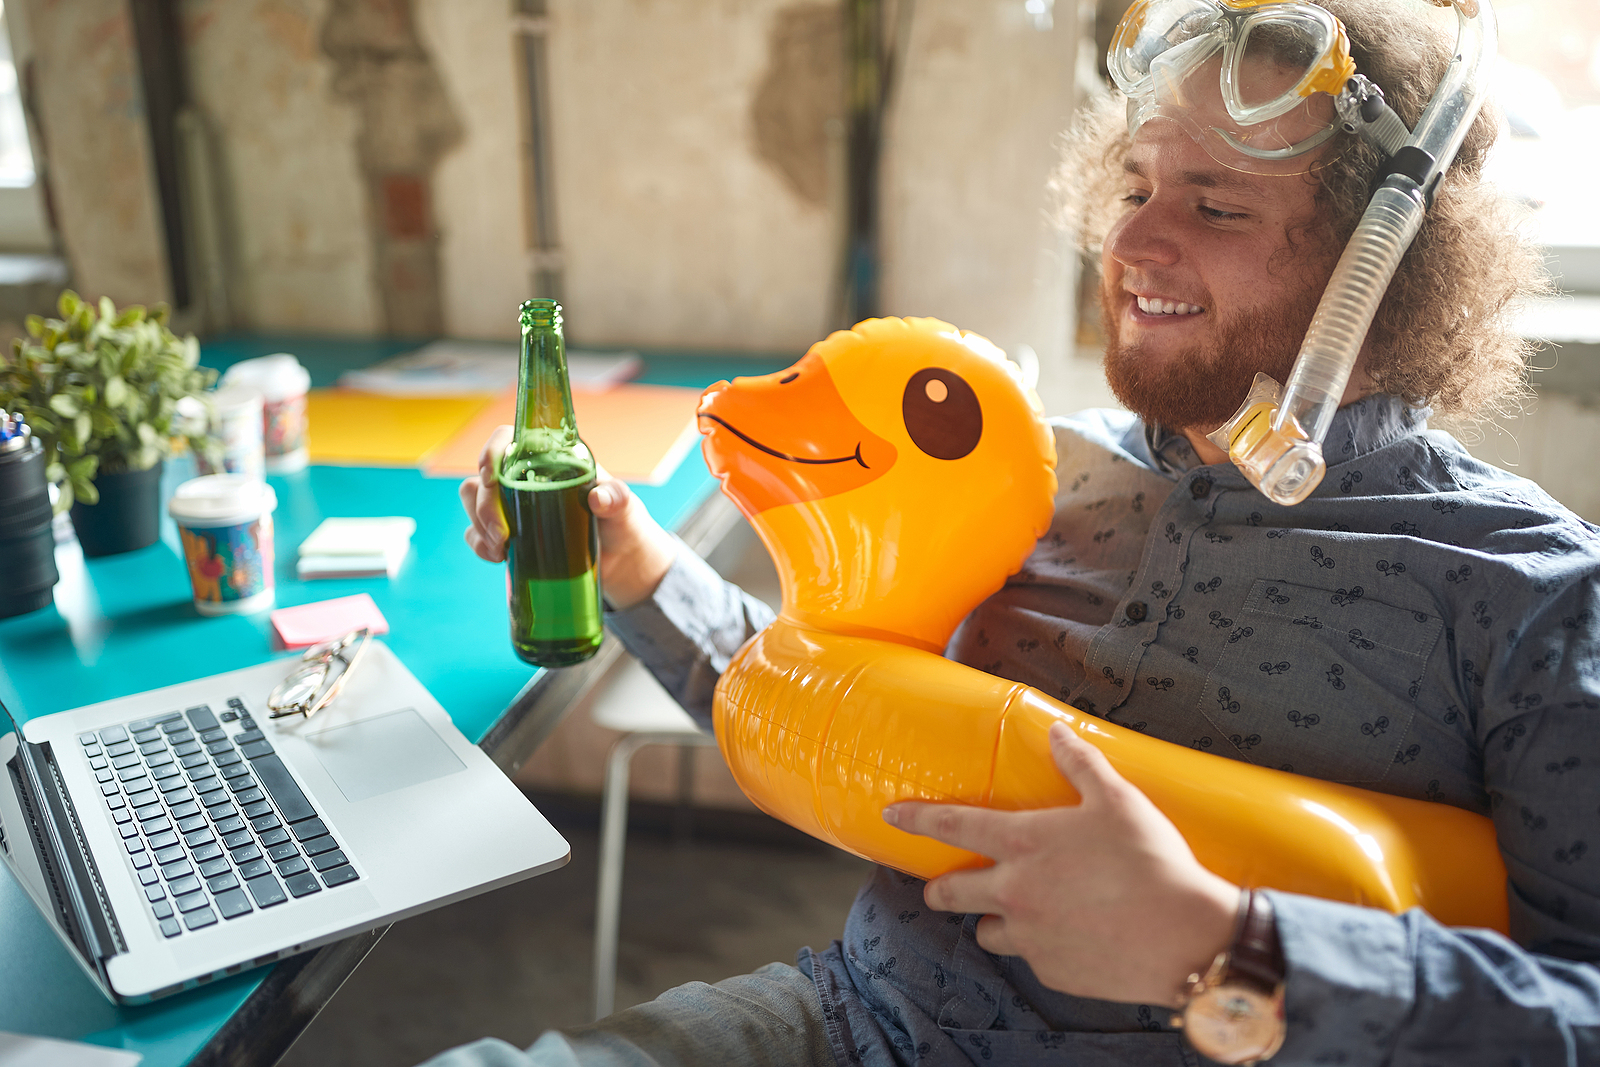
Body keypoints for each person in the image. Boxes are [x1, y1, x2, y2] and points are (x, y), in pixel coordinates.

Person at [437, 1, 1600, 1063]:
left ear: (1379, 263)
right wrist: (633, 560)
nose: (1135, 245)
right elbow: (845, 722)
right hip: (855, 1025)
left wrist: (1235, 949)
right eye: (1138, 186)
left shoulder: (1526, 592)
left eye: (1215, 204)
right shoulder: (1035, 469)